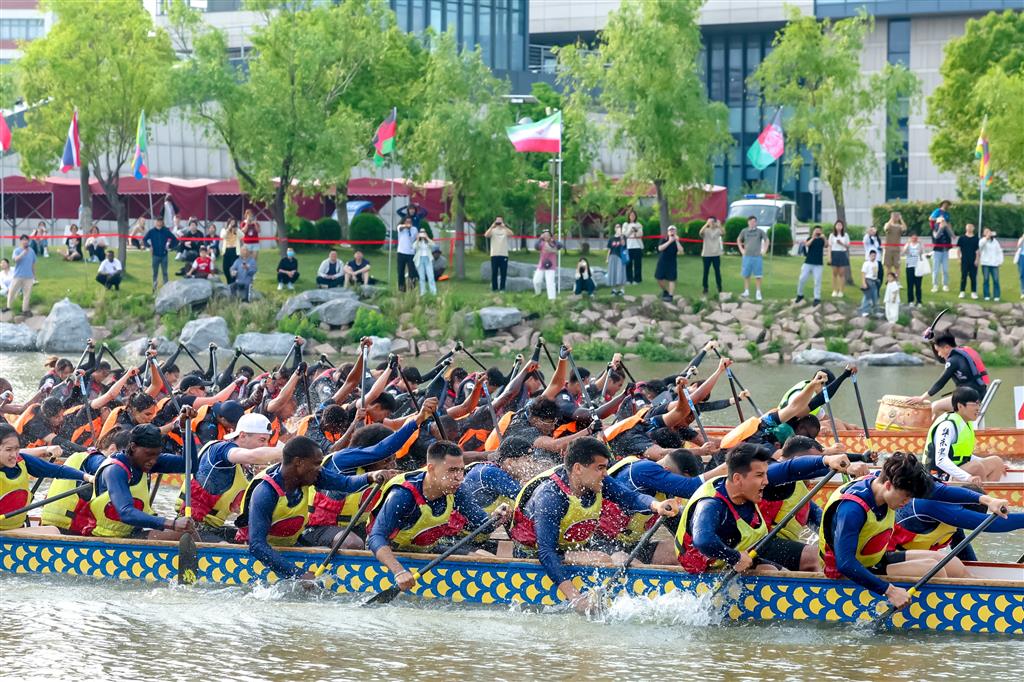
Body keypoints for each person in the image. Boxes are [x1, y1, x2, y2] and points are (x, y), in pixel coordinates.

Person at [818, 451, 1007, 609]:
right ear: (888, 485)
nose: (907, 502)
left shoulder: (884, 480)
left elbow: (941, 491)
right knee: (935, 571)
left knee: (950, 563)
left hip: (875, 559)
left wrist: (987, 500)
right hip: (849, 571)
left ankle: (991, 600)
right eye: (906, 497)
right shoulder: (852, 510)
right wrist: (890, 591)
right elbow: (845, 563)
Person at [509, 437, 677, 611]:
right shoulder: (551, 497)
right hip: (533, 555)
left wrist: (657, 506)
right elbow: (546, 552)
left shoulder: (597, 482)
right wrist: (576, 598)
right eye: (600, 468)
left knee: (620, 557)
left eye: (605, 467)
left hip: (569, 548)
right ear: (578, 468)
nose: (605, 474)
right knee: (603, 558)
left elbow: (631, 498)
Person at [675, 443, 853, 575]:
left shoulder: (749, 483)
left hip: (737, 552)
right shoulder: (711, 504)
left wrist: (827, 460)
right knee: (776, 569)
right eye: (760, 475)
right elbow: (703, 540)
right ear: (737, 479)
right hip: (702, 565)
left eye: (766, 474)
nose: (767, 481)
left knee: (776, 572)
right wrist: (735, 558)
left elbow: (790, 469)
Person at [235, 436, 388, 580]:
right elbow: (257, 546)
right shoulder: (265, 492)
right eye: (316, 464)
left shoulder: (310, 476)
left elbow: (346, 484)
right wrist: (298, 574)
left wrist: (370, 477)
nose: (320, 468)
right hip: (256, 552)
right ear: (298, 462)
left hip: (289, 545)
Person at [367, 441, 492, 593]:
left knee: (486, 558)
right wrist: (399, 572)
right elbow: (376, 537)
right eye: (452, 470)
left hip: (425, 550)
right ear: (431, 468)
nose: (459, 478)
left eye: (461, 470)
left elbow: (484, 524)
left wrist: (498, 515)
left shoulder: (456, 489)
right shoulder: (403, 494)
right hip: (391, 553)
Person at [69, 423, 196, 539]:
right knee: (180, 531)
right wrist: (172, 524)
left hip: (130, 534)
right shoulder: (115, 470)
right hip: (102, 538)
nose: (153, 461)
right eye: (149, 454)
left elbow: (190, 465)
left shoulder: (146, 461)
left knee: (188, 531)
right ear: (133, 447)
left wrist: (185, 430)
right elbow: (126, 513)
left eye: (157, 454)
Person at [177, 412, 283, 542]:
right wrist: (288, 453)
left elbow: (239, 509)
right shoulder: (220, 450)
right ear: (242, 435)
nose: (265, 445)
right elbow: (252, 456)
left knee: (258, 539)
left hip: (211, 528)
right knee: (231, 545)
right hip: (190, 527)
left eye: (267, 440)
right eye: (262, 440)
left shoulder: (244, 467)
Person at [0, 424, 92, 535]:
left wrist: (87, 477)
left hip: (16, 529)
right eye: (8, 450)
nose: (14, 455)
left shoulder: (22, 461)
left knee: (53, 531)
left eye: (17, 449)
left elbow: (57, 471)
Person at [922, 386, 1006, 483]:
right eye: (974, 404)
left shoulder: (967, 423)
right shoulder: (947, 426)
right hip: (937, 475)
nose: (978, 408)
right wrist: (968, 477)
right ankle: (984, 492)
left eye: (979, 404)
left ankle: (988, 491)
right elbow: (941, 460)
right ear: (960, 406)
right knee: (977, 467)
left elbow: (963, 456)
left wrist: (995, 464)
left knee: (996, 462)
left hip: (956, 471)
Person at [908, 333, 991, 419]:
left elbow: (941, 383)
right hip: (978, 393)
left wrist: (921, 398)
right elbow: (941, 360)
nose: (939, 354)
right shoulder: (959, 354)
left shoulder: (953, 360)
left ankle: (930, 428)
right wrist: (931, 339)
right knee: (940, 409)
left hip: (969, 398)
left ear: (947, 347)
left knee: (935, 406)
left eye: (939, 350)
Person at [143, 217, 177, 291]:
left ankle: (166, 288)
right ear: (155, 222)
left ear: (162, 222)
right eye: (158, 221)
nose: (159, 222)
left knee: (165, 272)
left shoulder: (166, 231)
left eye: (160, 221)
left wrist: (170, 246)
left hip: (164, 255)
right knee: (155, 273)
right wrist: (149, 246)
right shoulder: (151, 231)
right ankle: (154, 287)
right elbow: (144, 239)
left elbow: (174, 239)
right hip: (155, 255)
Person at [5, 235, 36, 315]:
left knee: (27, 294)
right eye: (23, 240)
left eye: (26, 240)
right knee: (12, 291)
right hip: (18, 275)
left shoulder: (32, 251)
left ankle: (25, 310)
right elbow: (15, 260)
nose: (25, 241)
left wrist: (34, 275)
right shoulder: (17, 250)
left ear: (28, 241)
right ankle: (9, 307)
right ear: (20, 241)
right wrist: (23, 253)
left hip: (29, 276)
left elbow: (33, 264)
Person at [738, 216, 767, 301]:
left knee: (758, 275)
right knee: (746, 274)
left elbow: (767, 240)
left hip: (757, 256)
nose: (752, 223)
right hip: (747, 256)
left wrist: (764, 250)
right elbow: (739, 239)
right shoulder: (744, 231)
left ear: (756, 222)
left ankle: (758, 292)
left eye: (754, 221)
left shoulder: (760, 231)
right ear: (748, 222)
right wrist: (741, 249)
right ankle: (746, 291)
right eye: (751, 221)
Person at [795, 225, 825, 305]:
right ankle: (800, 294)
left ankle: (817, 297)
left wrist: (824, 238)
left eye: (819, 230)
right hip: (808, 262)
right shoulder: (810, 238)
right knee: (802, 278)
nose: (818, 232)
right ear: (813, 231)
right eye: (816, 230)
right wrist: (813, 238)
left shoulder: (822, 240)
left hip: (818, 264)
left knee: (817, 281)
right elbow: (807, 245)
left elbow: (826, 245)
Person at [485, 216, 513, 291]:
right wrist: (492, 226)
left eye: (500, 222)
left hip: (504, 254)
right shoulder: (493, 230)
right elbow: (486, 235)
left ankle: (502, 288)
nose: (499, 223)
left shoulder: (505, 230)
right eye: (497, 222)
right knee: (494, 272)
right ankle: (494, 288)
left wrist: (504, 227)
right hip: (494, 254)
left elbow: (511, 234)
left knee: (503, 272)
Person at [655, 225, 683, 302]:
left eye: (673, 230)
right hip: (662, 261)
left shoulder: (677, 241)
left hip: (672, 262)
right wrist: (669, 241)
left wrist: (677, 241)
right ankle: (665, 291)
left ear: (676, 232)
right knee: (658, 278)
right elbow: (660, 248)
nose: (672, 232)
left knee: (671, 279)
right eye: (670, 230)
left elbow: (681, 251)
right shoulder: (664, 239)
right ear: (668, 232)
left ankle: (670, 296)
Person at [699, 217, 724, 297]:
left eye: (713, 222)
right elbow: (700, 232)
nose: (711, 223)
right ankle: (705, 288)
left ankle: (719, 287)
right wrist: (706, 224)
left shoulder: (718, 230)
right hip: (706, 254)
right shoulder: (706, 230)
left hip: (716, 254)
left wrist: (719, 225)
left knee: (717, 271)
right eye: (710, 222)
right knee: (706, 272)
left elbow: (723, 233)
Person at [930, 216, 955, 293]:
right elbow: (936, 237)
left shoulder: (947, 229)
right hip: (937, 251)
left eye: (943, 221)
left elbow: (953, 236)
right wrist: (941, 228)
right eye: (941, 222)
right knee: (935, 269)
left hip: (945, 252)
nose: (943, 223)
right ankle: (935, 285)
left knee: (945, 269)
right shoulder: (934, 229)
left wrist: (947, 227)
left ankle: (945, 284)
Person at [533, 229, 559, 301]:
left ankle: (552, 299)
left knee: (550, 282)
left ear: (550, 236)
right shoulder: (542, 243)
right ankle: (538, 293)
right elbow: (536, 246)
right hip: (541, 265)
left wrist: (553, 240)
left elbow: (560, 245)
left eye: (547, 235)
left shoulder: (554, 243)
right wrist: (540, 238)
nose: (546, 236)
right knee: (536, 280)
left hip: (551, 266)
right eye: (544, 235)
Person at [979, 227, 1003, 302]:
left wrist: (1000, 261)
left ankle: (996, 295)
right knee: (986, 279)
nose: (988, 233)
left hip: (994, 264)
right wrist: (986, 238)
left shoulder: (995, 242)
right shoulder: (982, 240)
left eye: (989, 231)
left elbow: (999, 251)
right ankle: (986, 295)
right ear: (984, 233)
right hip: (985, 263)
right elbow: (980, 246)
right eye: (986, 232)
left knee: (996, 280)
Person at [827, 219, 850, 298]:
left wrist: (841, 243)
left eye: (840, 225)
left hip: (842, 253)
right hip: (834, 253)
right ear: (835, 226)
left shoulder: (845, 235)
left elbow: (847, 246)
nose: (839, 227)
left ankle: (841, 291)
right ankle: (834, 290)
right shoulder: (832, 235)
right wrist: (829, 257)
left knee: (841, 274)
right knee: (834, 273)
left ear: (842, 226)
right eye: (837, 225)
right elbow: (829, 247)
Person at [957, 223, 979, 299]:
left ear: (973, 228)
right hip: (964, 260)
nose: (969, 228)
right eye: (968, 227)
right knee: (963, 276)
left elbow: (977, 251)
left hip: (973, 260)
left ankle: (973, 292)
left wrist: (977, 259)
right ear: (966, 228)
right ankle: (962, 291)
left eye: (971, 227)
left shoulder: (976, 239)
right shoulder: (961, 238)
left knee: (973, 277)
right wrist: (959, 259)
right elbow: (958, 249)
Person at [901, 232, 924, 307]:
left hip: (918, 267)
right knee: (910, 285)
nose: (914, 239)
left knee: (918, 285)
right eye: (913, 238)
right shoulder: (908, 245)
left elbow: (921, 252)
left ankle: (919, 301)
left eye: (915, 238)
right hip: (909, 266)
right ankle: (910, 300)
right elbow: (903, 252)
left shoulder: (919, 245)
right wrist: (908, 243)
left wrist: (920, 243)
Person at [395, 216, 416, 292]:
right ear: (404, 222)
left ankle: (412, 288)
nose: (408, 223)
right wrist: (406, 226)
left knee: (412, 272)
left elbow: (416, 239)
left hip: (411, 253)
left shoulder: (414, 229)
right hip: (401, 252)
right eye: (407, 221)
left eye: (410, 222)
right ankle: (401, 289)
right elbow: (400, 228)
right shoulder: (400, 227)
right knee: (400, 271)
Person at [413, 228, 437, 296]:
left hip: (428, 259)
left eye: (423, 232)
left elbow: (434, 245)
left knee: (431, 276)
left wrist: (427, 237)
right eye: (421, 232)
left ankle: (433, 292)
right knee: (421, 277)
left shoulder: (428, 241)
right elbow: (414, 247)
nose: (422, 233)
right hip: (420, 259)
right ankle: (423, 292)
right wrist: (418, 239)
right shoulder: (418, 241)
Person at [623, 209, 644, 284]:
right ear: (628, 216)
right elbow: (625, 234)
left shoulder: (638, 224)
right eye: (631, 215)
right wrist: (630, 230)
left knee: (637, 264)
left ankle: (637, 279)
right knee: (628, 264)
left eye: (634, 215)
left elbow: (641, 234)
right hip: (628, 247)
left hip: (637, 246)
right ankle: (629, 279)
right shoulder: (626, 224)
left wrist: (636, 232)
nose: (632, 217)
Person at [606, 224, 627, 296]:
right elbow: (609, 249)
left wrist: (621, 236)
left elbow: (623, 244)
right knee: (613, 273)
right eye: (617, 227)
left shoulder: (623, 237)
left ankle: (622, 289)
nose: (618, 228)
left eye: (619, 227)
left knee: (621, 272)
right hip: (612, 257)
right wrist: (607, 258)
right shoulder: (611, 238)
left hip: (620, 257)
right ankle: (613, 290)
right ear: (614, 229)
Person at [882, 211, 905, 277]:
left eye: (897, 216)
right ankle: (889, 280)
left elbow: (904, 229)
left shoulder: (900, 226)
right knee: (888, 266)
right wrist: (891, 219)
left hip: (896, 249)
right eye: (894, 216)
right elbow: (886, 228)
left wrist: (901, 219)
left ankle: (897, 280)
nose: (895, 218)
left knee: (897, 266)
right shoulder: (888, 224)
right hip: (888, 249)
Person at [859, 250, 880, 317]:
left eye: (874, 255)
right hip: (868, 280)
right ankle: (864, 311)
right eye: (872, 255)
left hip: (874, 281)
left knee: (875, 296)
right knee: (867, 297)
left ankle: (875, 311)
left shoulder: (876, 263)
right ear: (869, 256)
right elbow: (863, 273)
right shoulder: (866, 263)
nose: (873, 257)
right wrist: (864, 283)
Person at [221, 218, 241, 284]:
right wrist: (228, 229)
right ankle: (229, 281)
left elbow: (242, 236)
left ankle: (233, 282)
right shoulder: (224, 230)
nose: (232, 224)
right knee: (225, 268)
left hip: (235, 250)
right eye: (231, 222)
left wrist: (236, 230)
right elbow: (222, 236)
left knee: (234, 268)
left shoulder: (237, 230)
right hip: (226, 250)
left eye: (234, 223)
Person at [1017, 233, 1024, 300]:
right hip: (1022, 257)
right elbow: (1018, 246)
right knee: (1022, 275)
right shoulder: (1021, 239)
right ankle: (1022, 292)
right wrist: (1022, 238)